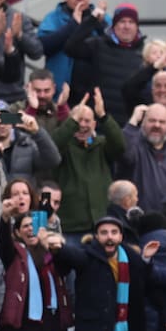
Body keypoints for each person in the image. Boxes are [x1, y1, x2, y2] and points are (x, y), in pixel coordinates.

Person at [53, 216, 146, 331]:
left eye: (114, 232)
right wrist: (59, 248)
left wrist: (147, 259)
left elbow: (149, 278)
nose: (109, 237)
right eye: (104, 233)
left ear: (121, 236)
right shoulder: (88, 254)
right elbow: (73, 256)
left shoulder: (132, 258)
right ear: (96, 236)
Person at [52, 88, 126, 235]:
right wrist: (72, 122)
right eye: (78, 120)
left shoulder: (101, 144)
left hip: (101, 224)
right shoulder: (64, 145)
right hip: (71, 226)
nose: (82, 125)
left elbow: (120, 146)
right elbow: (53, 146)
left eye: (87, 121)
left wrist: (103, 116)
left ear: (94, 124)